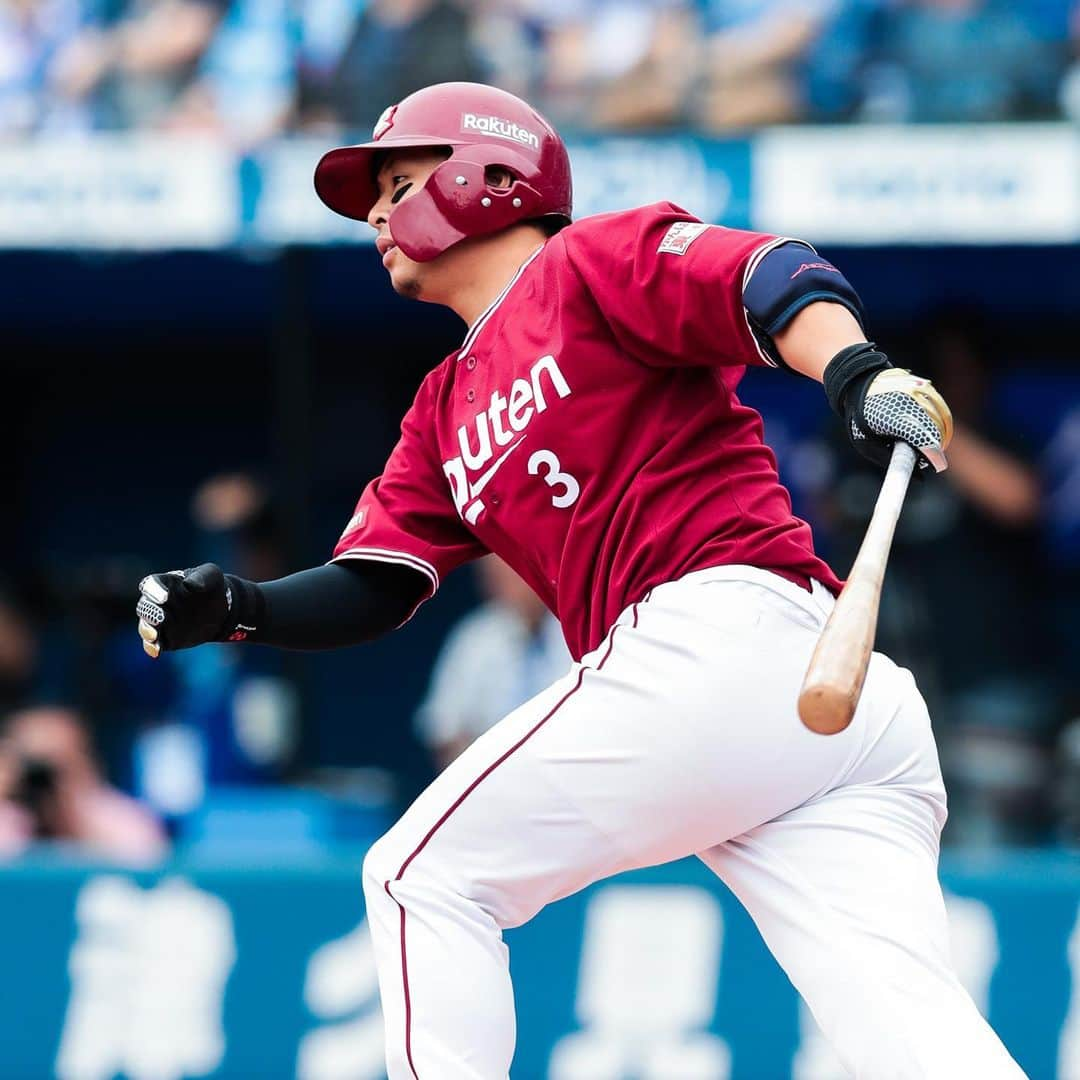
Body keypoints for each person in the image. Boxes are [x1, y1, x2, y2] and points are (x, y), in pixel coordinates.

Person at [134, 82, 1023, 1077]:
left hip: (725, 629)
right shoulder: (441, 410)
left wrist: (854, 372)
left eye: (398, 180)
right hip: (780, 697)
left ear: (496, 177)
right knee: (905, 1023)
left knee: (416, 879)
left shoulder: (586, 261)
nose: (377, 214)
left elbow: (764, 277)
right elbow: (375, 583)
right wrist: (243, 609)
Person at [416, 556, 571, 771]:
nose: (505, 585)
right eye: (495, 577)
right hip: (494, 780)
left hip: (572, 773)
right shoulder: (475, 636)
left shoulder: (580, 629)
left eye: (513, 574)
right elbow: (444, 731)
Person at [0, 705, 167, 862]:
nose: (43, 779)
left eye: (55, 763)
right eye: (33, 766)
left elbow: (145, 864)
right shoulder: (8, 816)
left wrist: (73, 813)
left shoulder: (121, 819)